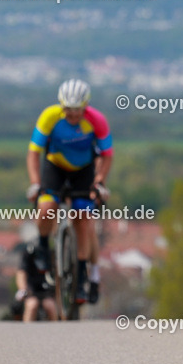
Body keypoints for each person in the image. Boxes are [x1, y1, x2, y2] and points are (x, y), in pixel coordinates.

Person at [26, 79, 112, 304]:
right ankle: (43, 246)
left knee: (82, 220)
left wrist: (100, 180)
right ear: (61, 106)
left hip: (83, 171)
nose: (73, 116)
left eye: (77, 112)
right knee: (46, 209)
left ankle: (82, 274)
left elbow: (107, 155)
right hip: (55, 167)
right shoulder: (49, 117)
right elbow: (34, 153)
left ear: (86, 107)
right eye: (68, 111)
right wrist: (35, 183)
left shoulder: (97, 121)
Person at [15, 241, 58, 321]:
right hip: (32, 290)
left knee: (50, 306)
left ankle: (56, 329)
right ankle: (26, 329)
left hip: (47, 290)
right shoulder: (29, 255)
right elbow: (21, 273)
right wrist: (23, 289)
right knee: (32, 305)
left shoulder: (50, 255)